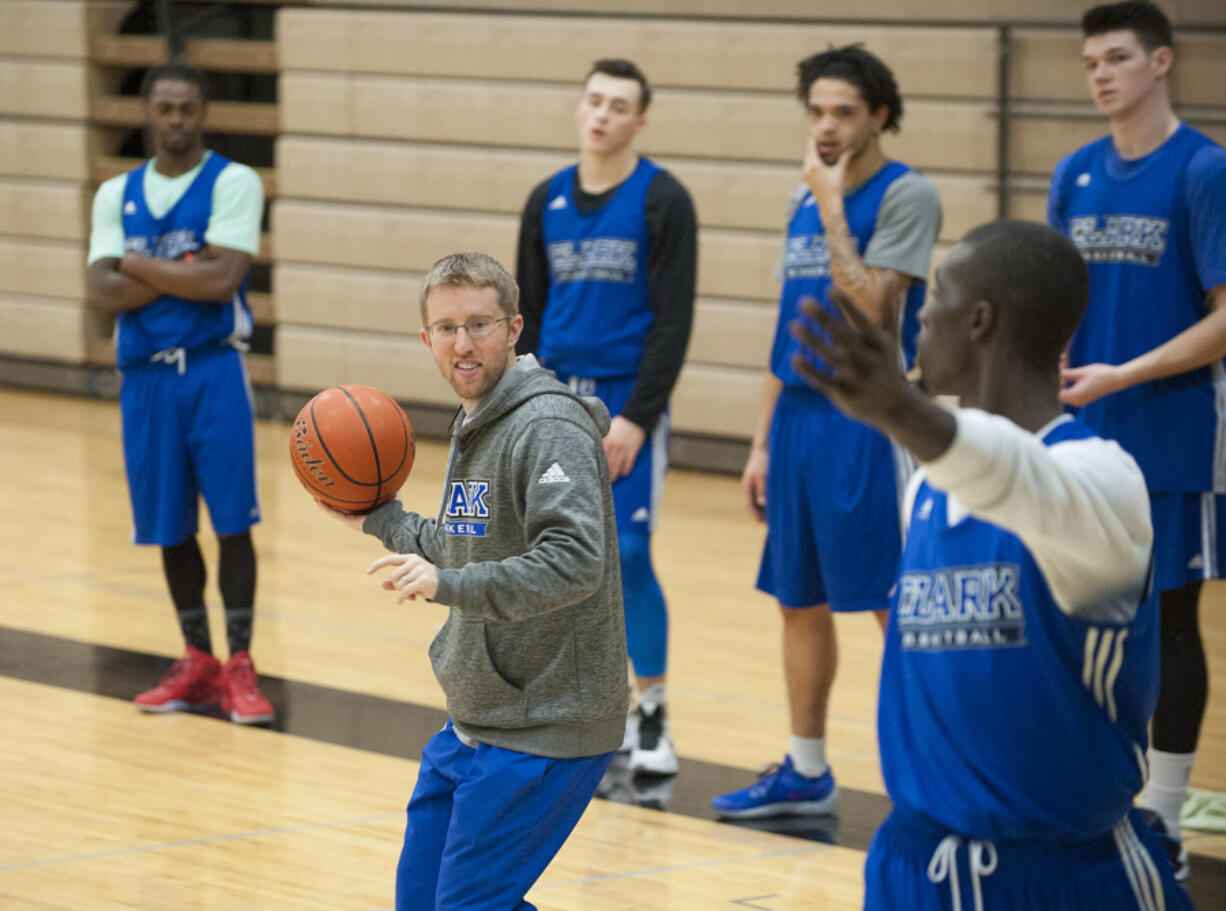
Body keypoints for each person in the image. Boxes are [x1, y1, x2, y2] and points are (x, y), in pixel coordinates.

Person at [791, 218, 1191, 910]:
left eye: (937, 291)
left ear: (979, 320)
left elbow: (1017, 476)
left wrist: (907, 412)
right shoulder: (926, 486)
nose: (920, 314)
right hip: (910, 866)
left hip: (1061, 876)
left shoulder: (1103, 479)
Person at [319, 252, 629, 911]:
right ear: (425, 338)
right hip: (478, 716)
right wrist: (381, 521)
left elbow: (575, 562)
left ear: (514, 327)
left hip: (548, 721)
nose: (463, 342)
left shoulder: (546, 428)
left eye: (480, 324)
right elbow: (463, 548)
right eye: (446, 327)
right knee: (423, 902)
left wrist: (446, 584)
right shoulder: (478, 420)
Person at [711, 44, 941, 818]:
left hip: (870, 420)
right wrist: (761, 440)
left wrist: (834, 202)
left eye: (843, 110)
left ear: (879, 115)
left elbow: (872, 308)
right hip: (801, 422)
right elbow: (792, 322)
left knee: (892, 602)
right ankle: (807, 770)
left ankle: (940, 776)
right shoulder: (802, 198)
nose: (827, 125)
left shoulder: (906, 195)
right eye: (816, 111)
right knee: (798, 598)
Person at [1047, 1, 1226, 880]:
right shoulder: (1075, 172)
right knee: (1086, 618)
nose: (1101, 74)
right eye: (1090, 62)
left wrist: (1126, 373)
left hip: (1172, 434)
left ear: (1162, 62)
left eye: (1117, 57)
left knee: (1169, 619)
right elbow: (1052, 303)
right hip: (1084, 440)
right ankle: (1097, 799)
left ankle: (1165, 817)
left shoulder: (1203, 170)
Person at [515, 58, 697, 776]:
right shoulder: (546, 199)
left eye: (619, 106)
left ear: (639, 120)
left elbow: (674, 319)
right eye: (593, 100)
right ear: (579, 107)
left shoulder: (664, 200)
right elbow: (522, 313)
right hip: (554, 397)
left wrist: (637, 416)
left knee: (625, 554)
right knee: (550, 554)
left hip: (624, 400)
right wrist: (523, 399)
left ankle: (651, 715)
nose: (602, 115)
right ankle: (580, 706)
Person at [86, 62, 273, 724]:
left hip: (212, 369)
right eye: (164, 108)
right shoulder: (115, 194)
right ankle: (198, 659)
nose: (175, 120)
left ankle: (241, 663)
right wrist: (182, 267)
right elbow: (104, 295)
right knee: (169, 524)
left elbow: (220, 281)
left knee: (232, 520)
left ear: (202, 113)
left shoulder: (234, 182)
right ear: (146, 112)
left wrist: (132, 260)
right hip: (145, 379)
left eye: (187, 108)